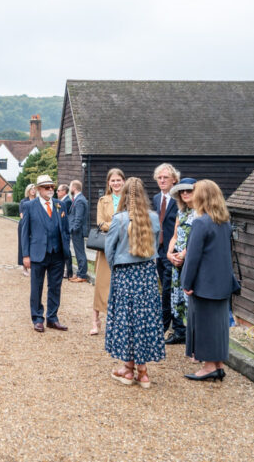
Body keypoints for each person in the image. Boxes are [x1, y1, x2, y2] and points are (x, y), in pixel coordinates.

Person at [104, 176, 164, 388]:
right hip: (147, 275)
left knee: (126, 320)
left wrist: (118, 269)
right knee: (144, 320)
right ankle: (143, 372)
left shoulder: (119, 219)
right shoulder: (154, 218)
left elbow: (109, 251)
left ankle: (128, 370)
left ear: (125, 195)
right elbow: (156, 245)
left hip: (125, 274)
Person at [180, 179, 240, 381]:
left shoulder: (201, 222)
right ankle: (218, 364)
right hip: (222, 283)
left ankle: (207, 367)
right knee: (219, 326)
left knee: (205, 325)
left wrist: (186, 283)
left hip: (204, 284)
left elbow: (193, 257)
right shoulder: (224, 222)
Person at [19, 175, 70, 333]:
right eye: (46, 187)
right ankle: (37, 318)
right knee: (37, 287)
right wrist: (25, 255)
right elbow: (24, 232)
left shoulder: (60, 205)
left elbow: (65, 229)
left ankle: (52, 318)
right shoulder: (30, 206)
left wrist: (65, 248)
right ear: (39, 189)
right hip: (38, 253)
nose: (50, 190)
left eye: (52, 187)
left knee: (55, 287)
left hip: (57, 253)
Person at [165, 177, 198, 347]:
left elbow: (196, 240)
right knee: (176, 295)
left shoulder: (200, 213)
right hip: (177, 257)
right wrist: (170, 253)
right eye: (182, 191)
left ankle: (193, 335)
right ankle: (179, 331)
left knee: (188, 296)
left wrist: (183, 255)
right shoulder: (181, 212)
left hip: (190, 259)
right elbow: (176, 236)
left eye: (188, 190)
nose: (185, 194)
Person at [93, 168, 124, 335]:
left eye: (118, 180)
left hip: (124, 246)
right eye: (113, 180)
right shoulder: (103, 200)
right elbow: (100, 222)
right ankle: (95, 318)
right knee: (101, 281)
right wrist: (117, 226)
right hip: (107, 245)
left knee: (120, 283)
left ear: (124, 181)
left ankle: (117, 319)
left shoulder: (129, 200)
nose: (116, 183)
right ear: (108, 183)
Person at [152, 163, 182, 341]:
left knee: (169, 289)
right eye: (160, 178)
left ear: (174, 180)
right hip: (160, 250)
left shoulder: (179, 200)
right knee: (163, 286)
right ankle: (168, 325)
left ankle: (165, 327)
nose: (162, 181)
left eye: (165, 178)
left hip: (174, 252)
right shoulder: (156, 199)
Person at [67, 180, 90, 284]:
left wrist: (73, 229)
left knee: (80, 253)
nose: (69, 189)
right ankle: (80, 273)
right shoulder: (78, 199)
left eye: (70, 187)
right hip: (77, 230)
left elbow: (79, 218)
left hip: (78, 231)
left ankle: (82, 275)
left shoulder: (80, 200)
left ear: (74, 188)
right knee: (78, 252)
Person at [17, 184, 37, 276]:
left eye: (34, 189)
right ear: (28, 190)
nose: (33, 191)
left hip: (35, 226)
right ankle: (24, 268)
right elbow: (22, 215)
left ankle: (34, 266)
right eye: (31, 189)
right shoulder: (23, 201)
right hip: (24, 226)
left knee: (34, 245)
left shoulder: (38, 201)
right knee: (23, 245)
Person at [57, 184, 73, 278]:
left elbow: (61, 215)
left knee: (66, 250)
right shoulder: (62, 201)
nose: (57, 192)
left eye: (58, 191)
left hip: (64, 229)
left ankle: (69, 271)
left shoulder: (66, 202)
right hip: (61, 229)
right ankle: (64, 270)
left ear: (64, 191)